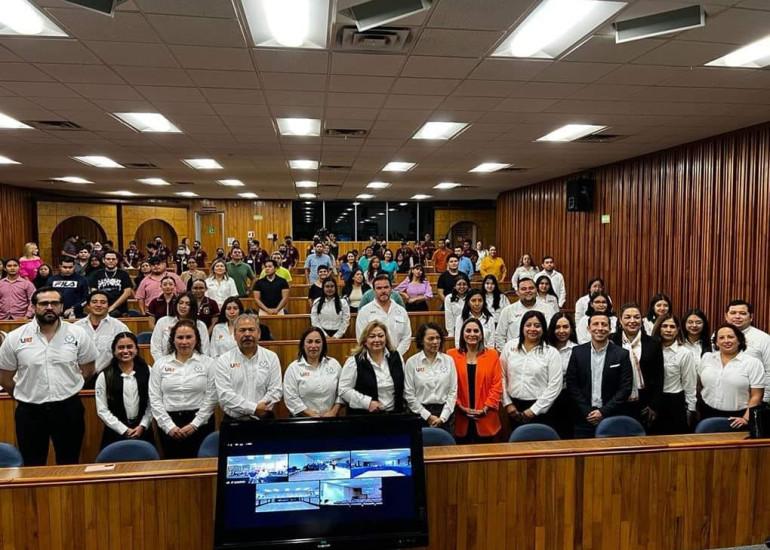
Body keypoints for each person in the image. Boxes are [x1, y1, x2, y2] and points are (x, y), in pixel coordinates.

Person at [0, 287, 98, 465]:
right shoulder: (15, 337)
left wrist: (69, 387)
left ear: (61, 306)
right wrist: (24, 395)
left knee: (69, 462)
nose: (49, 307)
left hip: (68, 408)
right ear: (34, 307)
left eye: (54, 303)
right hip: (30, 412)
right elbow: (5, 377)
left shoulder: (78, 334)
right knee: (32, 464)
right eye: (44, 303)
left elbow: (89, 369)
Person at [149, 319, 216, 458]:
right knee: (172, 466)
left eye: (188, 337)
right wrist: (169, 426)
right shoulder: (160, 364)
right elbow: (154, 398)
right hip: (169, 424)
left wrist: (195, 424)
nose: (184, 342)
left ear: (196, 339)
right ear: (173, 340)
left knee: (201, 466)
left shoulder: (209, 363)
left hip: (201, 422)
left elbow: (211, 397)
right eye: (180, 337)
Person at [565, 311, 633, 438]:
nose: (600, 328)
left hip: (612, 416)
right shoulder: (577, 352)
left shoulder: (622, 354)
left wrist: (603, 412)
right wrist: (587, 411)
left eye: (604, 324)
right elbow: (572, 384)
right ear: (588, 328)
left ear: (610, 328)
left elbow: (625, 388)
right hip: (583, 417)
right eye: (596, 324)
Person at [501, 310, 563, 430]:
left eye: (537, 325)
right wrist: (507, 403)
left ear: (543, 329)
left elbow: (555, 385)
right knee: (516, 440)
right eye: (528, 325)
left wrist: (534, 410)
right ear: (522, 327)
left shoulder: (551, 352)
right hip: (513, 408)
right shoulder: (510, 346)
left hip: (541, 409)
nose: (532, 329)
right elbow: (501, 376)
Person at [214, 314, 282, 420]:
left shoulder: (271, 357)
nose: (247, 334)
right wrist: (254, 409)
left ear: (259, 334)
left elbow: (276, 390)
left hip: (264, 419)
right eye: (242, 330)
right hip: (234, 421)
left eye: (251, 329)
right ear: (234, 335)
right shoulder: (224, 360)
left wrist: (261, 408)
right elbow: (225, 395)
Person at [95, 332, 155, 449]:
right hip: (114, 433)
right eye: (121, 347)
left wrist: (143, 425)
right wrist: (123, 429)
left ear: (136, 349)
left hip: (143, 431)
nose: (126, 351)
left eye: (130, 347)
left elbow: (152, 402)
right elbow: (102, 410)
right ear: (114, 351)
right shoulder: (105, 375)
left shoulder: (148, 371)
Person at [698, 323, 764, 428]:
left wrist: (746, 418)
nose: (726, 340)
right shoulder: (707, 358)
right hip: (705, 411)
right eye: (721, 338)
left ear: (739, 340)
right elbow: (699, 384)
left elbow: (757, 395)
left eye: (730, 337)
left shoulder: (753, 363)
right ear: (716, 342)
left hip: (738, 417)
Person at [448, 318, 503, 443]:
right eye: (468, 331)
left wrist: (486, 408)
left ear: (481, 335)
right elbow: (449, 386)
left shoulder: (492, 355)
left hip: (486, 416)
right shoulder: (451, 355)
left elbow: (497, 384)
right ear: (462, 334)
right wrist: (460, 406)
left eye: (476, 331)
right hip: (460, 416)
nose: (472, 334)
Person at [611, 302, 664, 428]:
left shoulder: (653, 343)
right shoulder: (612, 341)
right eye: (627, 317)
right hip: (616, 402)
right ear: (620, 320)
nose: (632, 321)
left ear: (642, 320)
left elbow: (659, 377)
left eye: (636, 317)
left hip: (644, 404)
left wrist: (653, 405)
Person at [339, 320, 406, 414]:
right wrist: (367, 403)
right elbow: (343, 390)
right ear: (365, 341)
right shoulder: (354, 362)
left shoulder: (397, 358)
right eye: (372, 336)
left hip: (395, 416)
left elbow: (404, 387)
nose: (377, 340)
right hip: (365, 417)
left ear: (386, 338)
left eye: (381, 336)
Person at [404, 322, 457, 431]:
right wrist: (427, 416)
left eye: (438, 338)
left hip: (445, 415)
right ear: (421, 341)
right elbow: (409, 394)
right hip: (420, 414)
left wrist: (443, 417)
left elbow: (453, 392)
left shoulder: (448, 361)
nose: (435, 342)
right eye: (431, 339)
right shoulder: (412, 362)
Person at [651, 314, 697, 434]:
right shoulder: (650, 350)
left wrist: (691, 409)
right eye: (664, 326)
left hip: (674, 401)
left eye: (672, 327)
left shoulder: (685, 353)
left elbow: (689, 383)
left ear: (677, 330)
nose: (668, 330)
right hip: (653, 402)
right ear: (659, 328)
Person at [283, 327, 343, 417]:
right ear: (303, 345)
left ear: (323, 344)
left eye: (317, 342)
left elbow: (342, 391)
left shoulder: (334, 364)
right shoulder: (293, 368)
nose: (313, 346)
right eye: (309, 342)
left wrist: (333, 412)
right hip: (303, 420)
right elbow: (291, 398)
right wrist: (313, 415)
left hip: (331, 418)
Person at [74, 291, 130, 376]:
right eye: (94, 302)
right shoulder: (76, 327)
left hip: (109, 377)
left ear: (108, 306)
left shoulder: (120, 327)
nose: (98, 305)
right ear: (88, 305)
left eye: (103, 302)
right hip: (80, 377)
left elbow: (127, 353)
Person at [724, 299, 770, 402]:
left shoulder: (764, 339)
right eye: (733, 313)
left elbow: (769, 371)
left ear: (751, 317)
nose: (737, 316)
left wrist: (764, 399)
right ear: (726, 316)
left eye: (742, 313)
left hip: (752, 399)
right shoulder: (717, 335)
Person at [355, 275, 412, 356]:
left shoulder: (401, 311)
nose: (383, 291)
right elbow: (361, 337)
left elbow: (406, 337)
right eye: (379, 288)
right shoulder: (365, 311)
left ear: (391, 289)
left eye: (386, 287)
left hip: (397, 357)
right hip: (373, 358)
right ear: (373, 291)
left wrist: (396, 355)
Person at [495, 278, 554, 351]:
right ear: (517, 292)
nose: (528, 291)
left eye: (531, 288)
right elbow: (499, 336)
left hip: (542, 353)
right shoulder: (508, 311)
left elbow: (553, 334)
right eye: (523, 289)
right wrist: (507, 353)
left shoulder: (548, 309)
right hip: (515, 353)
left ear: (536, 290)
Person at [151, 292, 210, 361]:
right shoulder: (163, 322)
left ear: (193, 307)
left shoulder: (200, 325)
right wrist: (163, 364)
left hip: (194, 364)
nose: (183, 306)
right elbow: (155, 348)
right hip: (166, 364)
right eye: (181, 303)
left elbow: (205, 350)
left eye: (187, 304)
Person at [547, 312, 578, 438]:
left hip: (567, 400)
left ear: (571, 329)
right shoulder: (544, 348)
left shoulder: (577, 350)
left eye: (565, 327)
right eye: (557, 327)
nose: (561, 331)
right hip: (544, 398)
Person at [87, 250, 134, 316]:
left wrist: (112, 307)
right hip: (101, 308)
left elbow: (127, 292)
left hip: (120, 309)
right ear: (103, 260)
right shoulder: (97, 274)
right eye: (108, 259)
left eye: (113, 259)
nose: (111, 261)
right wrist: (103, 307)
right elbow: (94, 292)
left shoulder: (124, 274)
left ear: (117, 260)